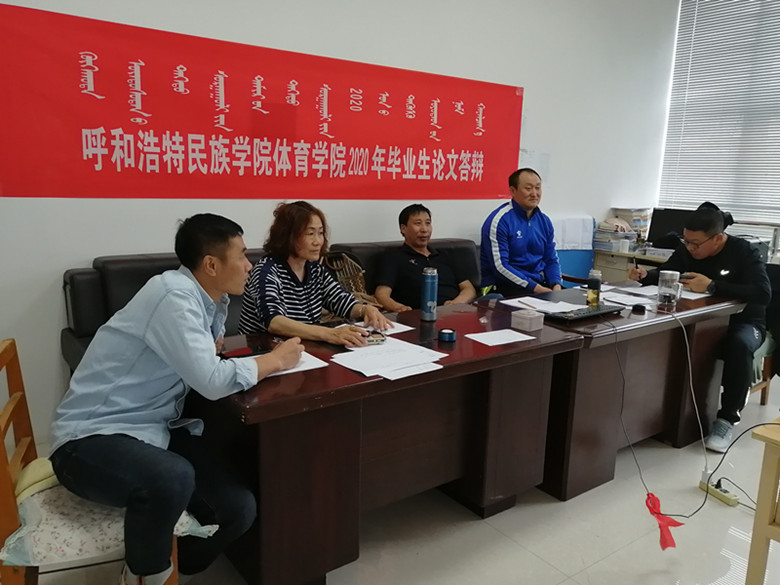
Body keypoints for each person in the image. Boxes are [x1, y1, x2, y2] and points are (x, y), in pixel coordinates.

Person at [49, 213, 304, 585]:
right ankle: (143, 577)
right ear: (211, 264)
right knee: (171, 477)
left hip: (152, 429)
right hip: (88, 440)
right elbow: (212, 380)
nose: (250, 265)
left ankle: (168, 566)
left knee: (237, 509)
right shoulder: (173, 295)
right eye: (241, 256)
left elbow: (206, 359)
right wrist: (276, 360)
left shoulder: (208, 300)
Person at [629, 203, 770, 452]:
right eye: (686, 241)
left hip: (743, 322)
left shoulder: (743, 251)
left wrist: (713, 286)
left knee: (739, 344)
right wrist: (646, 275)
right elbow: (669, 271)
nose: (690, 248)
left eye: (695, 244)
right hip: (700, 321)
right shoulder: (687, 250)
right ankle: (656, 412)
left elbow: (763, 293)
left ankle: (726, 419)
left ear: (718, 239)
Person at [239, 201, 391, 347]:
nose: (318, 241)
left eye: (320, 233)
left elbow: (341, 301)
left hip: (303, 347)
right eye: (310, 233)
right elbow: (275, 322)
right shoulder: (266, 271)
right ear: (287, 236)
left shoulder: (314, 269)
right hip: (263, 351)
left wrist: (365, 309)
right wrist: (330, 334)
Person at [374, 204, 477, 312]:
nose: (424, 229)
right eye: (418, 223)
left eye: (428, 223)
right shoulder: (393, 257)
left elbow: (468, 288)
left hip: (455, 312)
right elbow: (381, 294)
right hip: (418, 314)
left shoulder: (445, 255)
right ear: (403, 228)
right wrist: (400, 309)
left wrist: (456, 304)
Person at [480, 168, 562, 297]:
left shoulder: (544, 221)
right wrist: (534, 287)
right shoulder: (499, 221)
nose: (534, 194)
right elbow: (500, 267)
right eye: (528, 188)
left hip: (537, 286)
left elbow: (550, 259)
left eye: (537, 188)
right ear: (513, 191)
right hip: (503, 287)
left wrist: (556, 284)